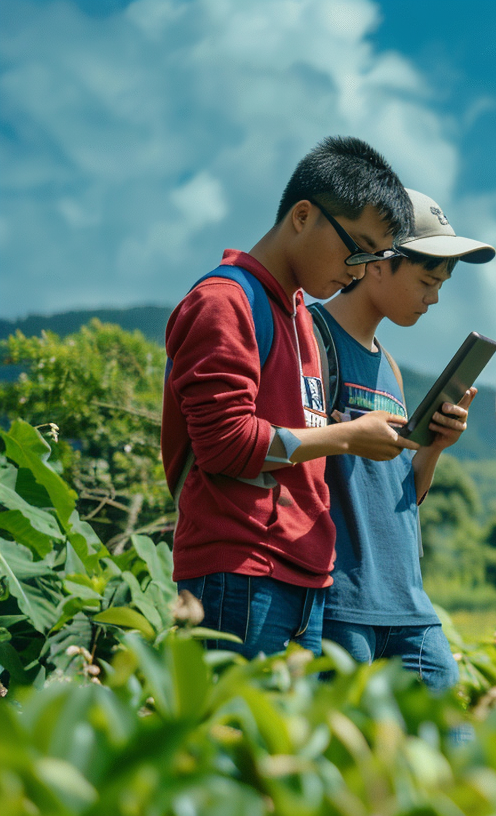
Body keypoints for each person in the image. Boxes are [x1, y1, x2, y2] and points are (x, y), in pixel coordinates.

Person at [163, 136, 419, 658]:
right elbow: (225, 445)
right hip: (239, 571)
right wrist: (347, 437)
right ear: (303, 216)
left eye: (374, 257)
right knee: (228, 734)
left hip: (307, 576)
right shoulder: (225, 303)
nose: (359, 269)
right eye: (357, 247)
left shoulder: (304, 318)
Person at [310, 188, 495, 689]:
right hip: (341, 602)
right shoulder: (312, 338)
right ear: (376, 264)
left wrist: (434, 448)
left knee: (451, 746)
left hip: (408, 606)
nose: (433, 297)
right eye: (426, 280)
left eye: (441, 285)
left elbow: (399, 496)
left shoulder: (389, 366)